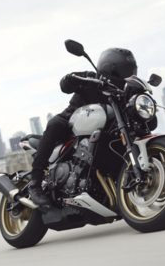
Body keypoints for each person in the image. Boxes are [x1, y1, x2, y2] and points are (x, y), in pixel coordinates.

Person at [28, 47, 138, 206]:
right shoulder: (91, 78)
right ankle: (35, 183)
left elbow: (150, 122)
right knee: (55, 124)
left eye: (130, 71)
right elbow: (65, 85)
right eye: (124, 71)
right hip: (72, 122)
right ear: (109, 69)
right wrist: (71, 79)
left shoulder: (125, 93)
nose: (127, 75)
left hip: (104, 134)